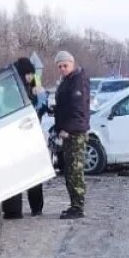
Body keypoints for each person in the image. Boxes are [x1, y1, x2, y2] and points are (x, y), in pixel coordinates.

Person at [2, 56, 47, 219]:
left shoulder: (33, 85)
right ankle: (13, 210)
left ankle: (36, 207)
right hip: (17, 136)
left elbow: (41, 107)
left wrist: (40, 96)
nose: (30, 77)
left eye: (31, 74)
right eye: (27, 74)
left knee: (33, 173)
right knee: (17, 173)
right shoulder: (12, 90)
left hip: (30, 135)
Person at [52, 50, 90, 219]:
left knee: (75, 171)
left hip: (75, 133)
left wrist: (67, 128)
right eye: (59, 66)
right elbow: (64, 106)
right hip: (68, 132)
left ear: (72, 63)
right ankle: (74, 204)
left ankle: (78, 206)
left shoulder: (77, 81)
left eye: (65, 65)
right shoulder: (67, 80)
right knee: (69, 171)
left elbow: (78, 109)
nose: (62, 69)